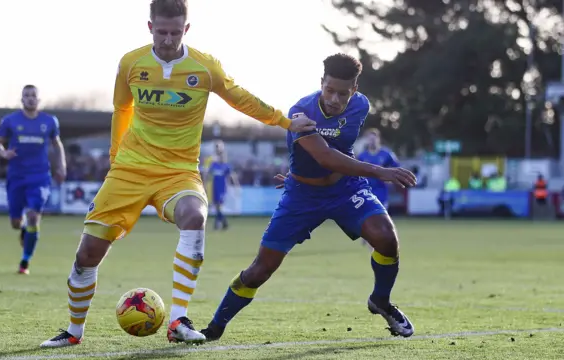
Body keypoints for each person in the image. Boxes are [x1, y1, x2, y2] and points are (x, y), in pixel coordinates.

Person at [39, 0, 315, 348]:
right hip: (130, 169)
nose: (168, 39)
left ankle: (179, 320)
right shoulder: (131, 63)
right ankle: (74, 332)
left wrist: (286, 122)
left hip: (179, 171)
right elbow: (122, 108)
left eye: (175, 32)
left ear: (186, 29)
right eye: (161, 31)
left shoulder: (204, 66)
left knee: (195, 215)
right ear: (150, 26)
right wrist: (114, 157)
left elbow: (239, 97)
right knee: (87, 254)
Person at [200, 53, 417, 342]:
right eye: (329, 90)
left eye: (343, 93)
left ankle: (381, 302)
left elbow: (339, 147)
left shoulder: (361, 106)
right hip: (302, 196)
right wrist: (382, 172)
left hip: (345, 189)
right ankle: (214, 328)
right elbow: (325, 156)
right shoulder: (300, 112)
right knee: (260, 270)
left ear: (355, 89)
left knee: (386, 237)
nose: (335, 99)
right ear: (321, 83)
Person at [0, 85, 66, 275]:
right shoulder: (10, 121)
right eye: (27, 95)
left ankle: (25, 262)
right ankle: (23, 228)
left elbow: (58, 145)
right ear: (22, 99)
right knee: (16, 223)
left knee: (34, 215)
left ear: (38, 100)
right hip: (16, 176)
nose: (30, 98)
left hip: (39, 176)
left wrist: (62, 166)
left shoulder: (49, 121)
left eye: (34, 96)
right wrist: (4, 153)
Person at [206, 140, 239, 230]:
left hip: (222, 188)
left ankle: (218, 223)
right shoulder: (214, 165)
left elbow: (232, 176)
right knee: (216, 206)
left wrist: (236, 185)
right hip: (214, 188)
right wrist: (205, 183)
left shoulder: (226, 166)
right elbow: (209, 174)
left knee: (219, 206)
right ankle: (224, 223)